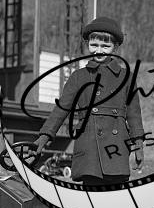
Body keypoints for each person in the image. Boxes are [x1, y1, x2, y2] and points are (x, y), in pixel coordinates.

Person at [34, 16, 145, 189]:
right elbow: (61, 110)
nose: (99, 50)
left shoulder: (127, 78)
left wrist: (138, 144)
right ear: (87, 44)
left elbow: (134, 114)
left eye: (105, 46)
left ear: (115, 47)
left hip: (116, 146)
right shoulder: (78, 77)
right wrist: (43, 137)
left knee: (117, 197)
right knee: (91, 196)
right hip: (89, 146)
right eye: (94, 45)